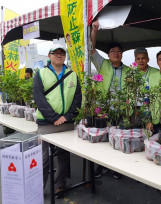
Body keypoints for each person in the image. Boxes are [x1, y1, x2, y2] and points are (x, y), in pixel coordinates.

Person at [33, 44, 82, 192]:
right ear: (49, 56)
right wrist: (54, 117)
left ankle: (60, 184)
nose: (59, 55)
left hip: (65, 122)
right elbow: (39, 98)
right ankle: (39, 188)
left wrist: (67, 116)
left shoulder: (72, 75)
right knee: (44, 158)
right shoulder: (40, 74)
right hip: (46, 123)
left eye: (62, 53)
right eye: (55, 53)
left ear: (64, 56)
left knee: (63, 155)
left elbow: (77, 99)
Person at [91, 20, 129, 179]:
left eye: (119, 51)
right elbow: (91, 49)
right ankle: (100, 165)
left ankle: (116, 168)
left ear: (122, 54)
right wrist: (94, 31)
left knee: (118, 139)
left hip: (120, 111)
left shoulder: (128, 70)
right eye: (113, 51)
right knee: (102, 138)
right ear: (108, 54)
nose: (116, 53)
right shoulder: (102, 64)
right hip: (103, 109)